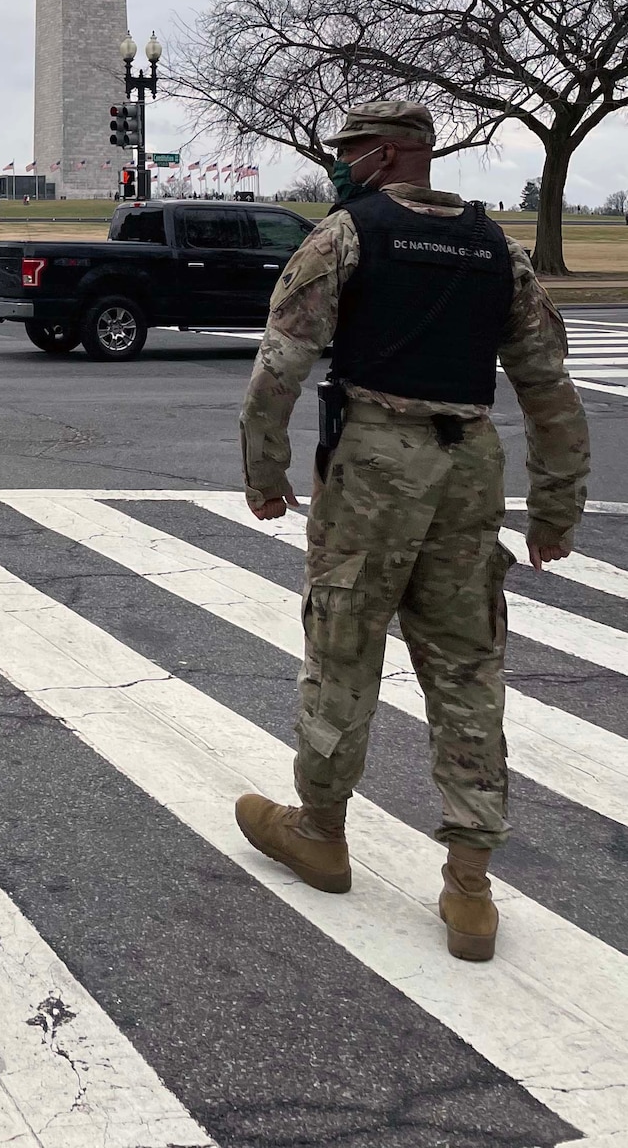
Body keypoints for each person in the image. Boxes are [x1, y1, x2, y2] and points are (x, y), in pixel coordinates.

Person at [234, 100, 590, 962]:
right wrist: (555, 509)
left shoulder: (346, 238)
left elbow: (278, 365)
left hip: (374, 467)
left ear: (388, 155)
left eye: (352, 151)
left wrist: (266, 472)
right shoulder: (496, 251)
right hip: (470, 463)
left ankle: (320, 831)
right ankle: (469, 885)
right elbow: (550, 390)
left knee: (344, 649)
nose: (343, 164)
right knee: (468, 665)